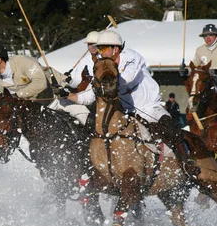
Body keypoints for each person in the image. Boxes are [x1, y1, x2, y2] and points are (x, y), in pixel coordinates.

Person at [68, 30, 200, 177]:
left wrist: (104, 78)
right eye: (98, 49)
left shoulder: (131, 57)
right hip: (124, 113)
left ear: (115, 49)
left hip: (148, 107)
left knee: (170, 127)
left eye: (103, 48)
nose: (99, 52)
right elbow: (90, 95)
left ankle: (186, 162)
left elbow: (127, 78)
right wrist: (68, 95)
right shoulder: (103, 67)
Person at [0, 43, 89, 125]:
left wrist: (19, 95)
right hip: (37, 112)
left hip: (58, 97)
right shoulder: (1, 84)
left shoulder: (21, 61)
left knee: (84, 116)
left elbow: (41, 82)